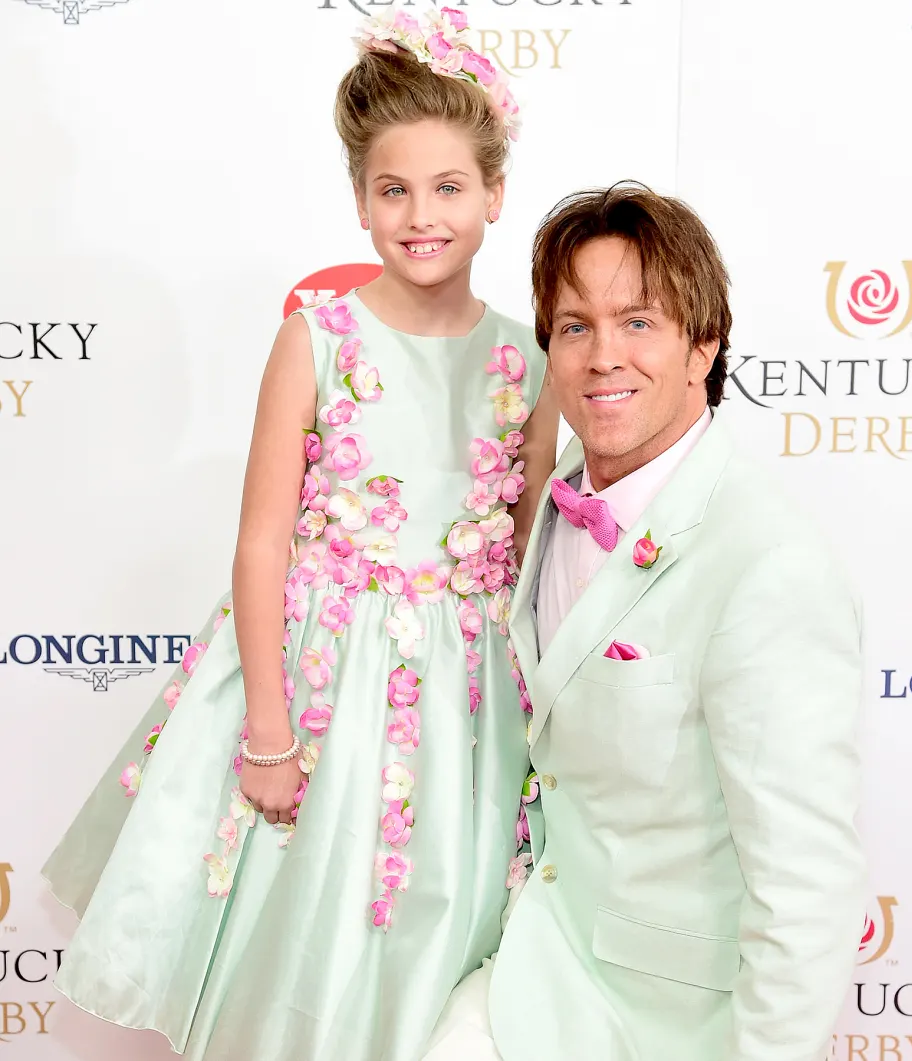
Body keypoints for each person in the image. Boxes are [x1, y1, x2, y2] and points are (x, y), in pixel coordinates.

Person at [42, 9, 558, 1060]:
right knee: (297, 932)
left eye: (449, 187)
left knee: (427, 940)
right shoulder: (315, 337)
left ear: (494, 194)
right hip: (319, 687)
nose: (422, 215)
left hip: (461, 708)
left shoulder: (529, 358)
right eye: (393, 189)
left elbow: (524, 553)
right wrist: (270, 729)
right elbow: (261, 544)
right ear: (361, 199)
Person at [423, 184, 867, 1061]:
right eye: (575, 326)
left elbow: (807, 885)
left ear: (704, 344)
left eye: (638, 322)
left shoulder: (766, 562)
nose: (601, 356)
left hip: (667, 1022)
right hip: (528, 969)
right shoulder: (545, 507)